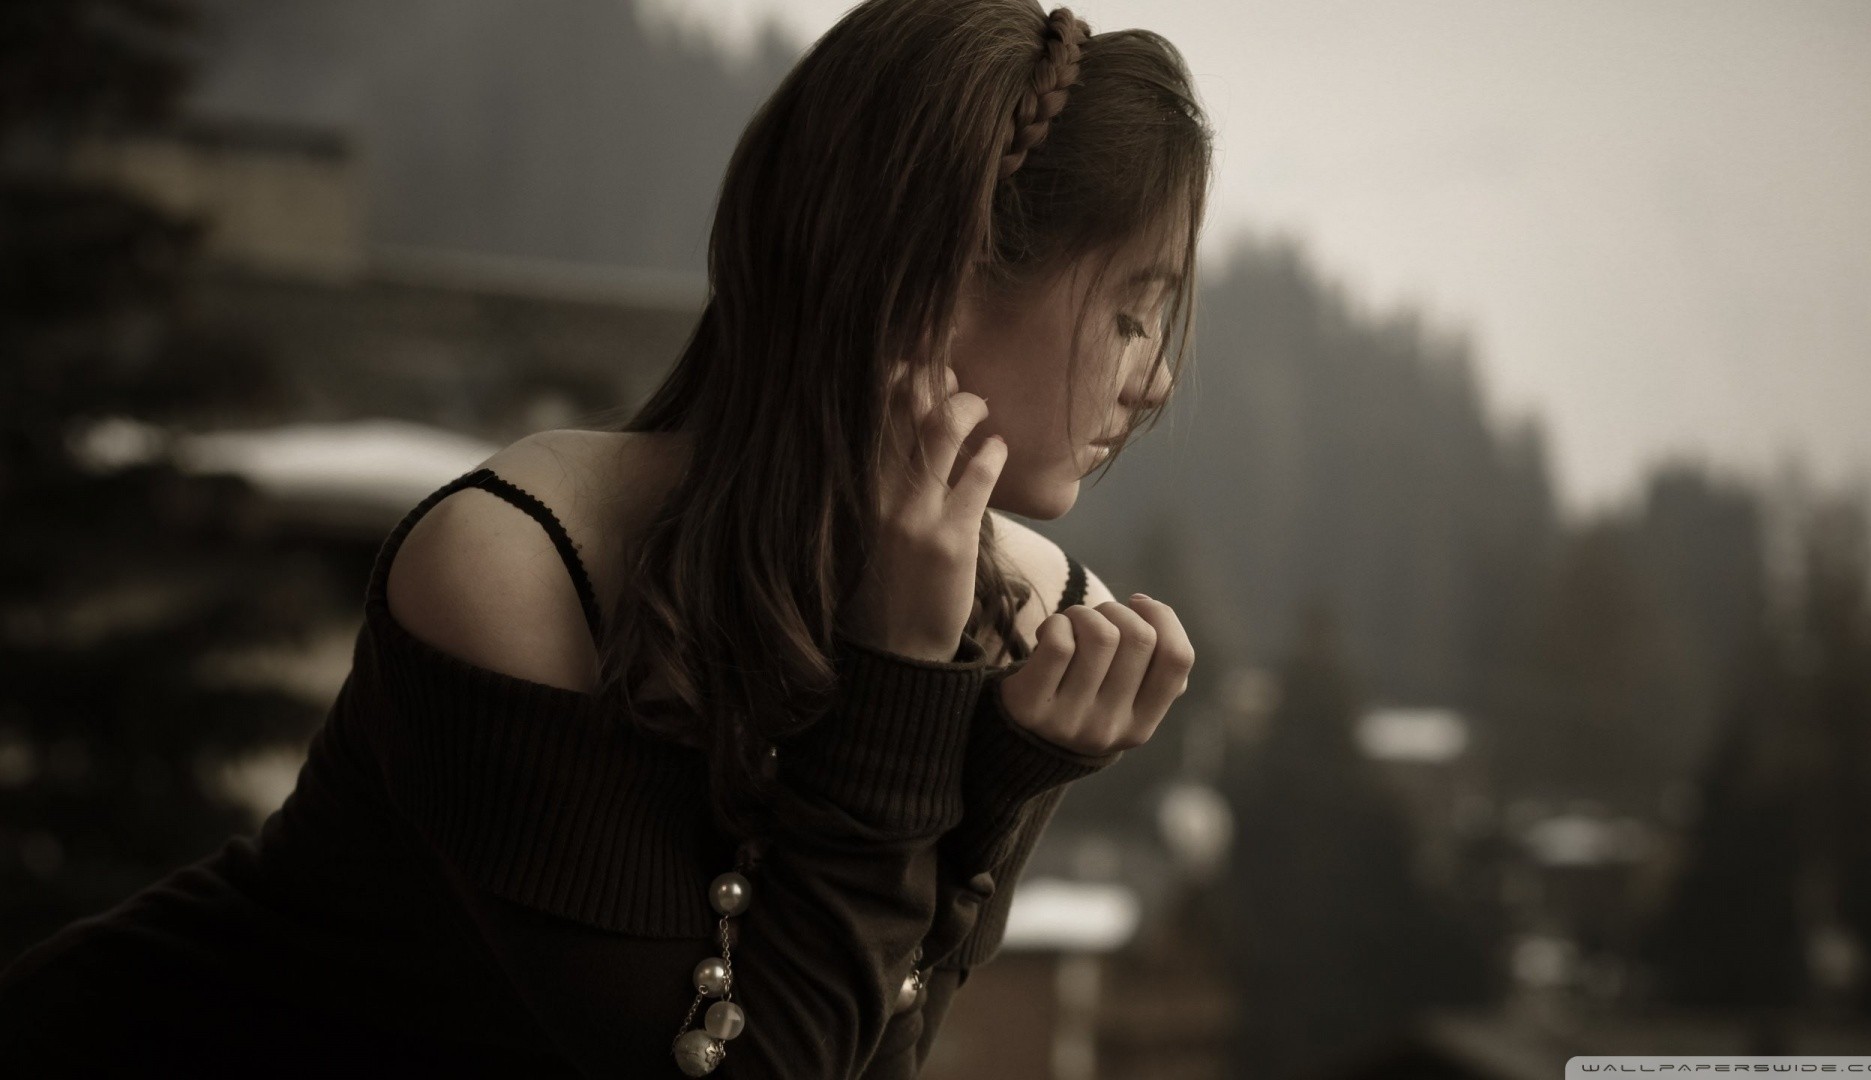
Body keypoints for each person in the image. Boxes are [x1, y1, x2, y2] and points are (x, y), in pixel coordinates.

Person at [0, 0, 1211, 1075]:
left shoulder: (1011, 601)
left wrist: (992, 772)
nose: (1153, 381)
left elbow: (855, 1049)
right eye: (1131, 314)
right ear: (934, 282)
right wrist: (899, 684)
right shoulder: (517, 565)